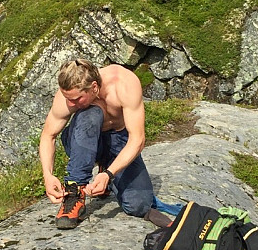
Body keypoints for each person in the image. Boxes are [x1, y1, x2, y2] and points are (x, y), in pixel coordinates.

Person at [39, 58, 171, 229]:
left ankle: (106, 170)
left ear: (94, 87)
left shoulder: (124, 85)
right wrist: (47, 176)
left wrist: (109, 174)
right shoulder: (67, 96)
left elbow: (137, 140)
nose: (71, 104)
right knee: (89, 114)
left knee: (139, 205)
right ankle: (75, 192)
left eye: (77, 99)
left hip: (119, 140)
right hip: (83, 140)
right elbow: (48, 135)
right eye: (68, 98)